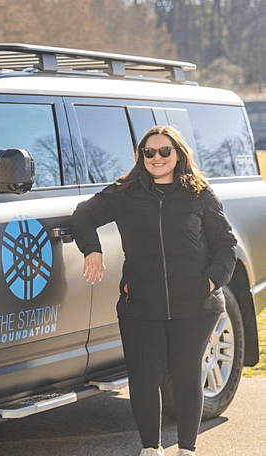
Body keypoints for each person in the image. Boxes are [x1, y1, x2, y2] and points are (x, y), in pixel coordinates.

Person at [71, 126, 237, 456]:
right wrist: (92, 249)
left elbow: (226, 245)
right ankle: (151, 449)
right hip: (141, 303)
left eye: (164, 151)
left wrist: (209, 283)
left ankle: (187, 450)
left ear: (178, 154)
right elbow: (83, 215)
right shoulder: (124, 193)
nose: (156, 158)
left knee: (185, 374)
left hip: (194, 303)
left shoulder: (199, 193)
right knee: (144, 378)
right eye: (149, 152)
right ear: (140, 156)